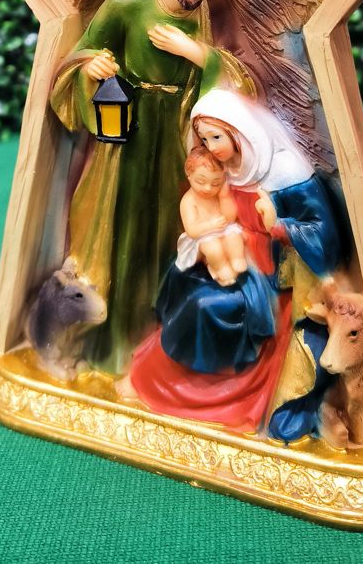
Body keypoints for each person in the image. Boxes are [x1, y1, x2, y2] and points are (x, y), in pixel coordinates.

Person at [49, 0, 253, 375]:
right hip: (127, 127)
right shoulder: (128, 3)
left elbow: (240, 82)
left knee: (165, 229)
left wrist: (196, 53)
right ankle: (109, 339)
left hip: (176, 135)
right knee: (121, 225)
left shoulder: (203, 17)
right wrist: (92, 67)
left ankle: (157, 339)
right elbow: (82, 54)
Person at [125, 88, 344, 440]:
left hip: (273, 277)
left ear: (239, 130)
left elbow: (322, 234)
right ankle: (156, 378)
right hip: (229, 258)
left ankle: (195, 389)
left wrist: (277, 224)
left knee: (205, 306)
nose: (210, 147)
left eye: (216, 137)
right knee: (179, 284)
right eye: (204, 139)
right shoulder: (221, 169)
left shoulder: (286, 172)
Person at [176, 146, 248, 287]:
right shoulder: (188, 201)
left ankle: (236, 259)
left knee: (234, 236)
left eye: (215, 183)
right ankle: (220, 267)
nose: (208, 188)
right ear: (189, 174)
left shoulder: (218, 194)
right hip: (202, 236)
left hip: (222, 229)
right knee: (213, 247)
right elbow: (191, 231)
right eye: (200, 181)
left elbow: (230, 218)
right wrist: (211, 225)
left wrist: (224, 197)